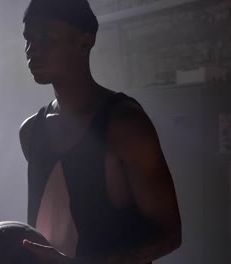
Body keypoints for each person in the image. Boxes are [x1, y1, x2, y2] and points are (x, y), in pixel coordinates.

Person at [18, 0, 182, 263]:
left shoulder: (125, 125)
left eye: (47, 38)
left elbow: (170, 235)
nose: (32, 49)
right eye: (28, 39)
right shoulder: (30, 132)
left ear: (85, 43)